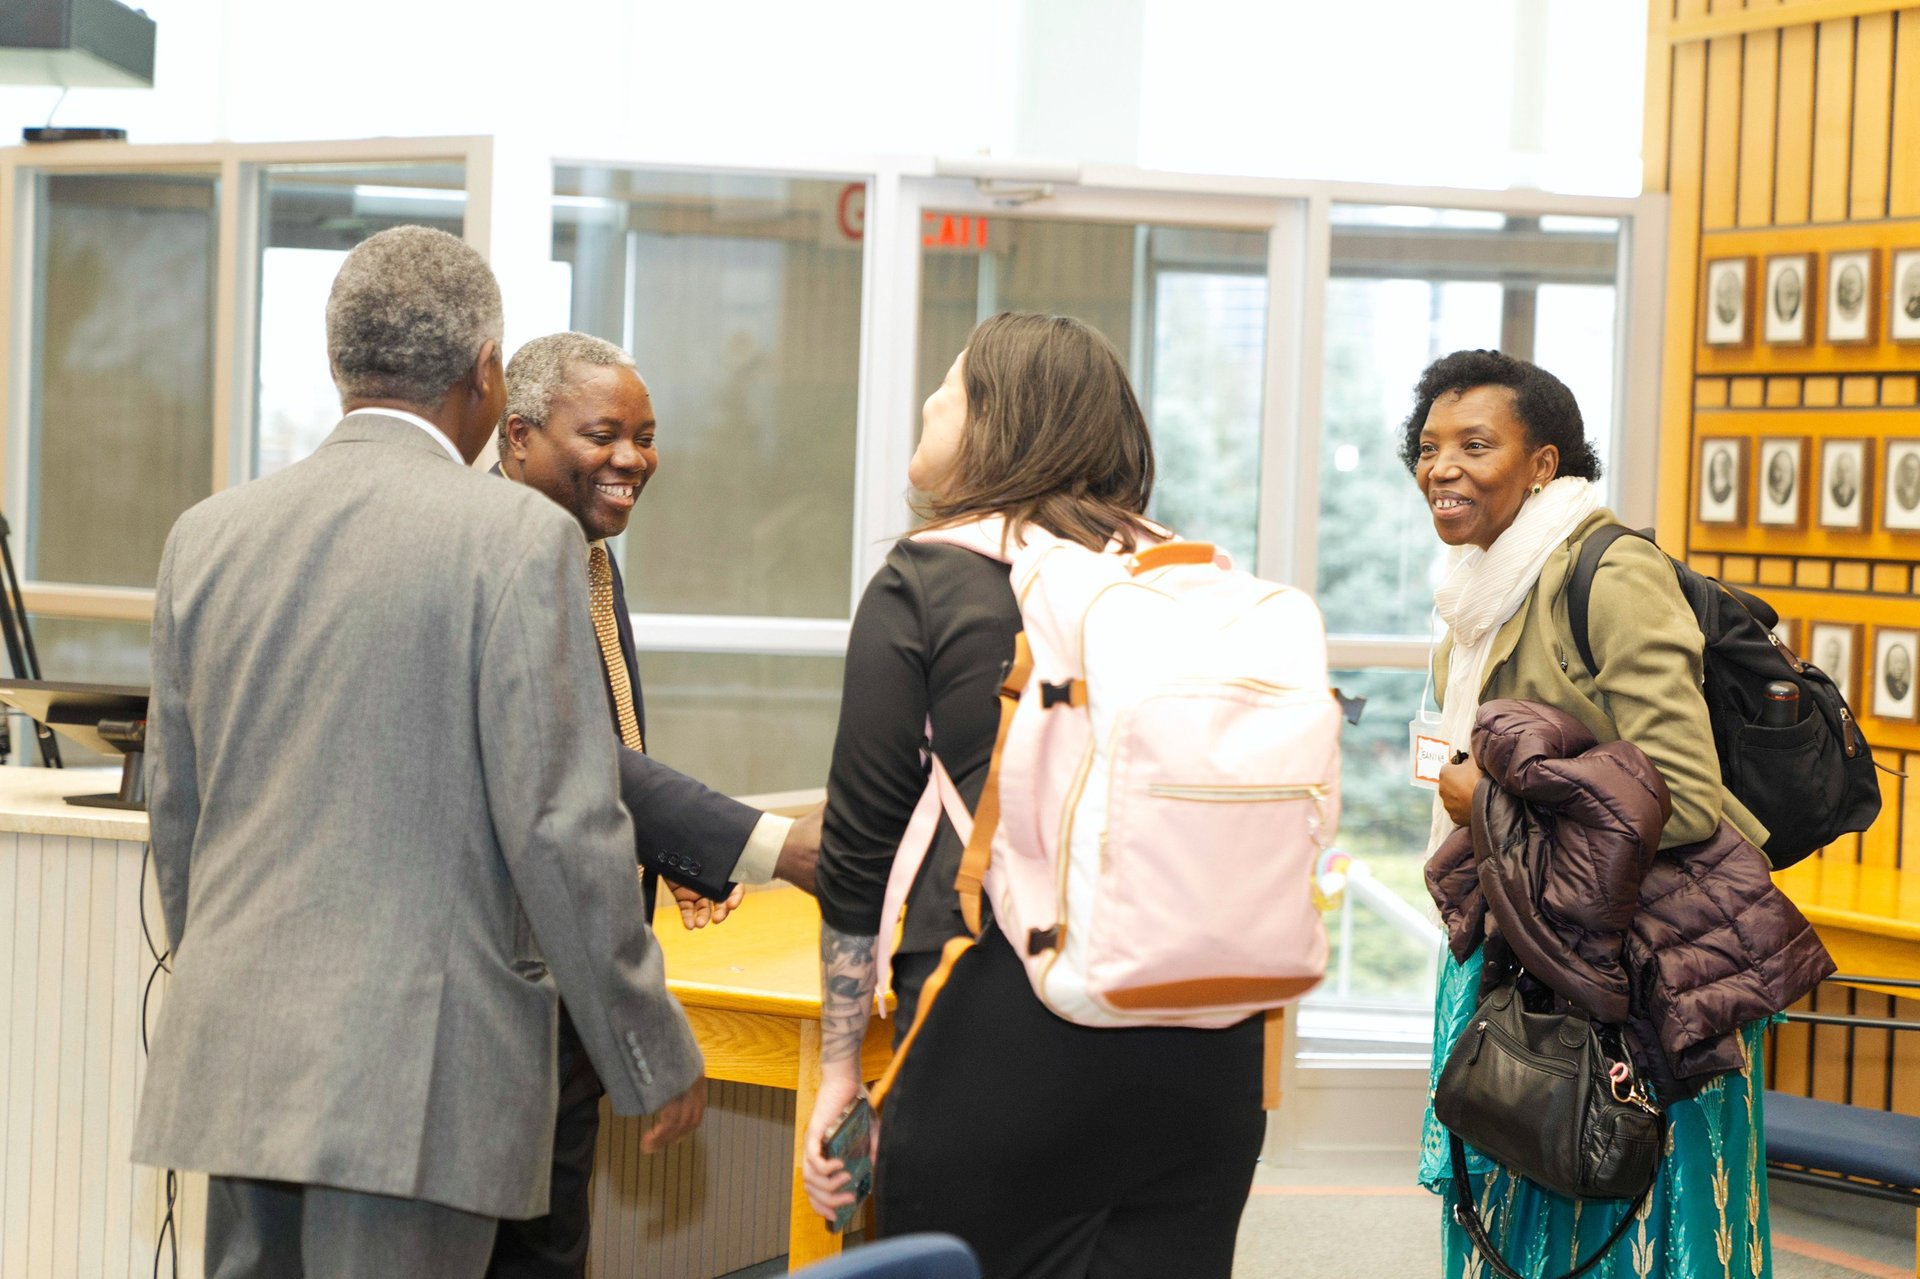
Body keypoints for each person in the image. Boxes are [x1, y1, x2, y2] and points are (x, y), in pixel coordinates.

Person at [132, 226, 707, 1279]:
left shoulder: (206, 535)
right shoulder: (518, 539)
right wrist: (646, 1044)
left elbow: (178, 816)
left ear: (337, 361)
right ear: (488, 374)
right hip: (420, 1081)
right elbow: (561, 825)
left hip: (238, 1058)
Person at [800, 312, 1264, 1279]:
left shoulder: (929, 577)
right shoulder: (1198, 580)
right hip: (1206, 1050)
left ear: (996, 422)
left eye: (950, 387)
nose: (930, 402)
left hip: (1002, 1027)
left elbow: (857, 852)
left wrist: (840, 1070)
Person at [1404, 349, 1777, 1278]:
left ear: (1543, 464)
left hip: (1634, 979)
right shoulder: (1473, 594)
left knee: (1634, 1230)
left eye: (1475, 445)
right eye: (1429, 446)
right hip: (1518, 947)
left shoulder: (1610, 574)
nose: (1442, 467)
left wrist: (1489, 801)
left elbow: (1683, 794)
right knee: (1507, 1214)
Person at [488, 329, 823, 1279]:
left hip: (571, 984)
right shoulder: (499, 559)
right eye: (603, 435)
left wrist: (660, 850)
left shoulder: (587, 553)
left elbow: (604, 753)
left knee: (549, 1246)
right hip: (507, 988)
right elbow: (567, 757)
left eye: (645, 436)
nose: (633, 459)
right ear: (519, 436)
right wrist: (772, 845)